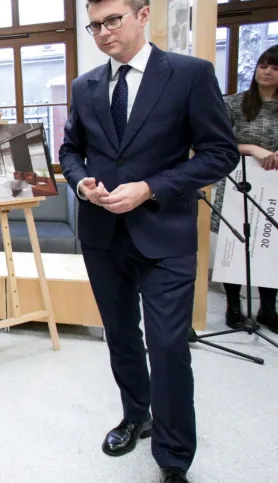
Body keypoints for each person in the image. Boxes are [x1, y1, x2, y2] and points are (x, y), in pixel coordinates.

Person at [59, 1, 239, 482]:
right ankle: (136, 413)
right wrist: (80, 184)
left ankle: (174, 455)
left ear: (142, 15)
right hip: (102, 235)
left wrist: (151, 187)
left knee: (167, 346)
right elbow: (70, 151)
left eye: (112, 20)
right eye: (94, 25)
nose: (102, 33)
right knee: (120, 337)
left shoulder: (190, 74)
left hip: (166, 235)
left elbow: (221, 154)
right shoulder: (85, 86)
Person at [209, 44, 278, 333]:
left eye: (274, 67)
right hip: (239, 184)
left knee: (270, 247)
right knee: (235, 245)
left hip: (273, 188)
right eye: (263, 65)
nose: (266, 71)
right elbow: (219, 144)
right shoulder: (234, 104)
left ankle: (267, 309)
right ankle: (234, 307)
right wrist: (252, 149)